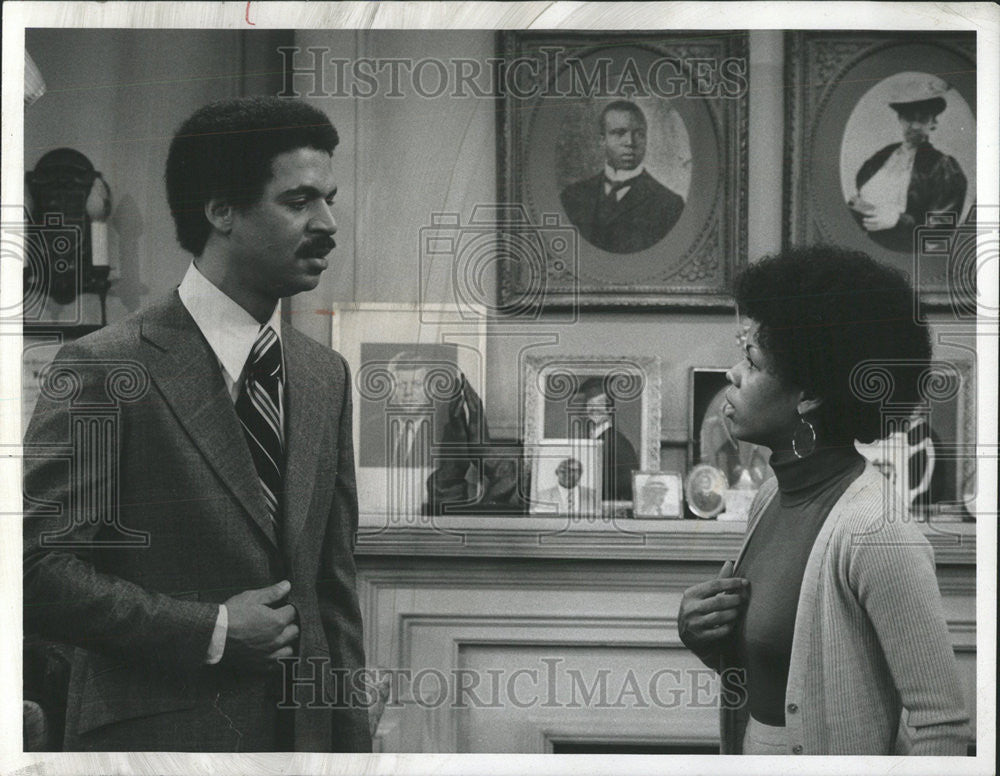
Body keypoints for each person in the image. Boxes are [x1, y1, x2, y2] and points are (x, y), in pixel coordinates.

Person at [23, 97, 371, 752]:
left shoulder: (325, 376)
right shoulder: (104, 366)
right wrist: (210, 628)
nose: (328, 223)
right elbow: (32, 568)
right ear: (221, 211)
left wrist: (354, 746)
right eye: (299, 201)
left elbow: (334, 594)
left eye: (329, 198)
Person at [677, 245, 969, 755]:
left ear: (809, 392)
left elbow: (941, 725)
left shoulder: (876, 530)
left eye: (752, 360)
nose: (732, 373)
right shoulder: (770, 497)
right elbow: (785, 680)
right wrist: (709, 641)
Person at [847, 75, 967, 253]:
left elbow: (938, 233)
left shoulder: (944, 167)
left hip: (904, 250)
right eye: (909, 117)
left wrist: (898, 220)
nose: (915, 126)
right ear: (900, 119)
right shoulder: (885, 155)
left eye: (923, 118)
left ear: (933, 123)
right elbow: (861, 192)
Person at [560, 100, 685, 254]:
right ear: (602, 140)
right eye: (619, 133)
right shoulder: (572, 196)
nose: (630, 142)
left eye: (639, 134)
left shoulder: (670, 205)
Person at [574, 377, 639, 501]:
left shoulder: (618, 443)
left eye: (599, 404)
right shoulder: (592, 439)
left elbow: (627, 486)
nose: (593, 409)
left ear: (609, 409)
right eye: (590, 404)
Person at [535, 457, 599, 516]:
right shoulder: (541, 497)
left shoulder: (594, 495)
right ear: (557, 472)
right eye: (563, 471)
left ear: (580, 473)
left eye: (573, 471)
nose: (568, 474)